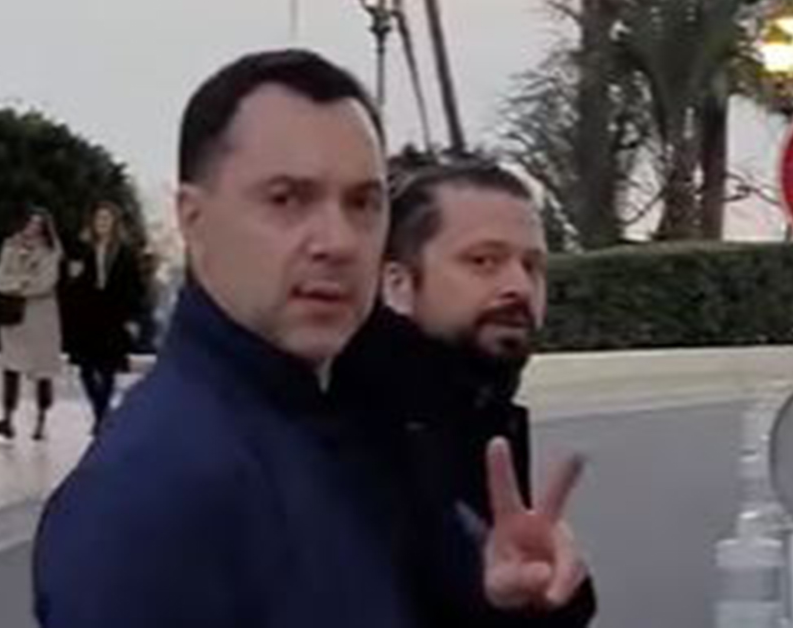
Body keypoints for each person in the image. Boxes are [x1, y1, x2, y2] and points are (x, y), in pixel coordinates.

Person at [34, 49, 588, 627]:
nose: (338, 242)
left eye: (362, 204)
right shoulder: (151, 493)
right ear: (193, 220)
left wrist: (504, 602)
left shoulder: (356, 431)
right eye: (287, 199)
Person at [334, 161, 597, 624]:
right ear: (397, 284)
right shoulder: (352, 433)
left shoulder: (475, 410)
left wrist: (540, 595)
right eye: (483, 261)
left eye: (532, 266)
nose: (518, 286)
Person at [63, 201, 151, 432]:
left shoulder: (125, 252)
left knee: (108, 368)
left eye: (107, 219)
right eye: (99, 218)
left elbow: (135, 286)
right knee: (86, 369)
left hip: (113, 316)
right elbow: (73, 285)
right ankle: (101, 410)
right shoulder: (83, 249)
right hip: (88, 316)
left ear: (114, 223)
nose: (102, 223)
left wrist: (132, 317)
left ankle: (101, 418)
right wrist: (74, 278)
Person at [0, 209, 63, 442]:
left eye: (38, 224)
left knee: (42, 370)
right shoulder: (10, 246)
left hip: (41, 317)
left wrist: (16, 284)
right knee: (11, 366)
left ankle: (41, 420)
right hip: (13, 315)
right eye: (30, 223)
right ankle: (7, 418)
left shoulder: (51, 251)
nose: (33, 228)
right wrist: (21, 283)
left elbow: (45, 283)